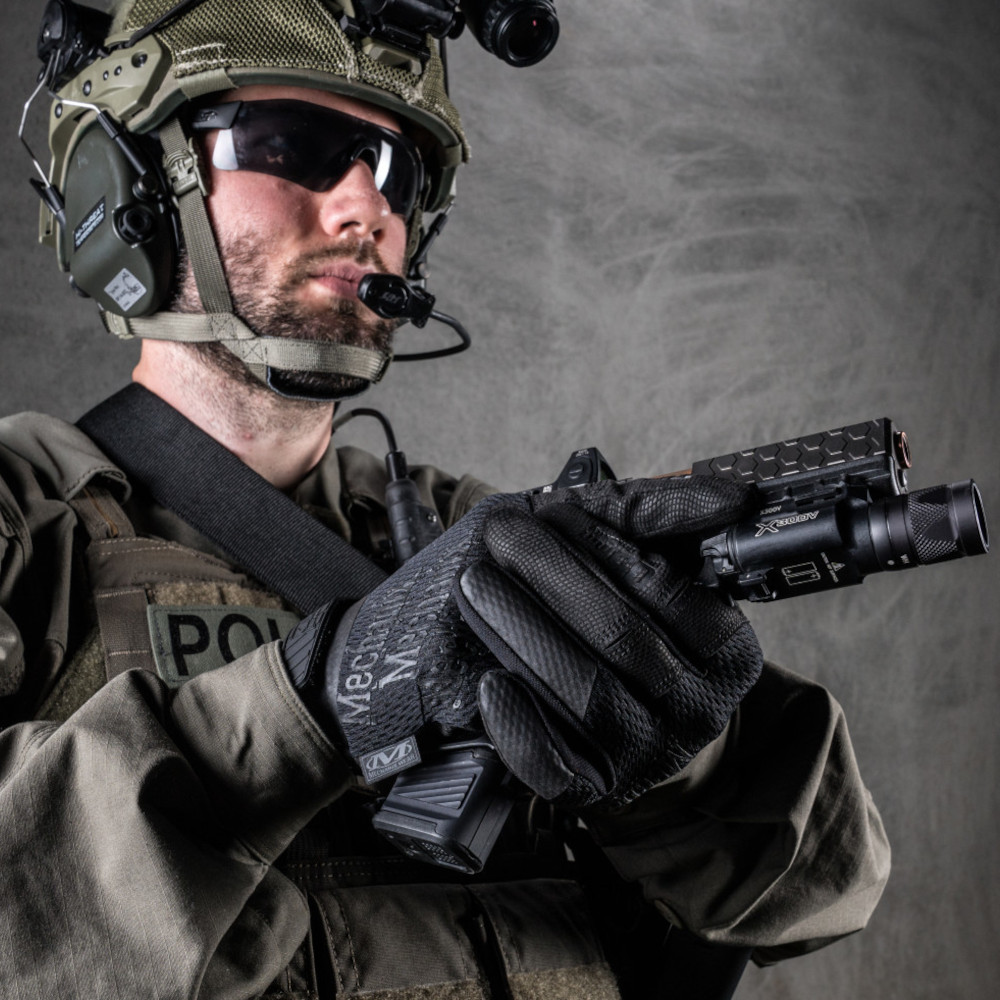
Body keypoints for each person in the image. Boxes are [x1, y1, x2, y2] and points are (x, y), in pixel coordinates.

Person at [0, 2, 889, 998]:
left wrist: (677, 757)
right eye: (289, 145)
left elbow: (825, 892)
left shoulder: (474, 529)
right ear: (125, 186)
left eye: (395, 171)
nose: (364, 207)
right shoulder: (26, 524)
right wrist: (313, 701)